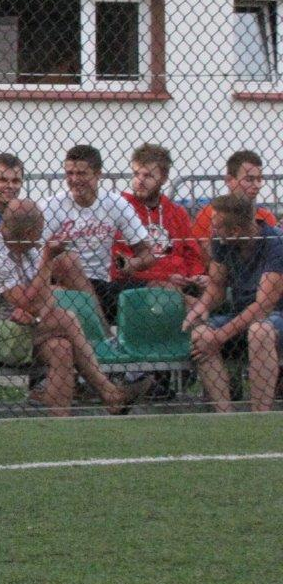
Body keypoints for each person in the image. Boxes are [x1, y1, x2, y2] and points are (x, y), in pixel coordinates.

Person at [0, 200, 152, 417]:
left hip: (12, 327)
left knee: (60, 347)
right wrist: (47, 259)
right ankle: (108, 392)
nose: (42, 235)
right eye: (40, 230)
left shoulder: (25, 246)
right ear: (28, 233)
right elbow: (32, 303)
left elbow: (42, 301)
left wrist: (36, 313)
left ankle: (58, 422)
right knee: (66, 319)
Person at [182, 195, 283, 413]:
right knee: (201, 335)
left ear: (235, 231)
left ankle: (260, 415)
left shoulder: (275, 243)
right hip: (240, 314)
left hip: (276, 317)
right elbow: (216, 288)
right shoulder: (221, 241)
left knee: (259, 331)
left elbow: (264, 306)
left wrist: (220, 337)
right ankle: (226, 415)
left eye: (216, 225)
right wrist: (200, 308)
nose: (212, 229)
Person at [39, 144, 154, 325]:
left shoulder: (115, 204)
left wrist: (133, 263)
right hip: (61, 280)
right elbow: (33, 255)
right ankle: (103, 332)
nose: (74, 179)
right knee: (67, 260)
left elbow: (147, 253)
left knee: (164, 288)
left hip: (100, 282)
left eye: (81, 174)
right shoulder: (51, 206)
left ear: (98, 174)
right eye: (69, 173)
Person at [112, 143, 204, 295]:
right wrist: (165, 277)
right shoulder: (121, 208)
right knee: (165, 289)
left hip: (180, 281)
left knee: (211, 285)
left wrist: (197, 275)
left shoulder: (177, 212)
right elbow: (121, 262)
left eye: (148, 175)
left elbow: (191, 254)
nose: (140, 180)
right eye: (136, 174)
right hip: (138, 283)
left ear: (164, 178)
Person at [190, 150, 278, 265]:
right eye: (249, 179)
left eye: (259, 179)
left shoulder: (266, 217)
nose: (257, 185)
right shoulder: (208, 214)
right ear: (229, 180)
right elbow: (204, 259)